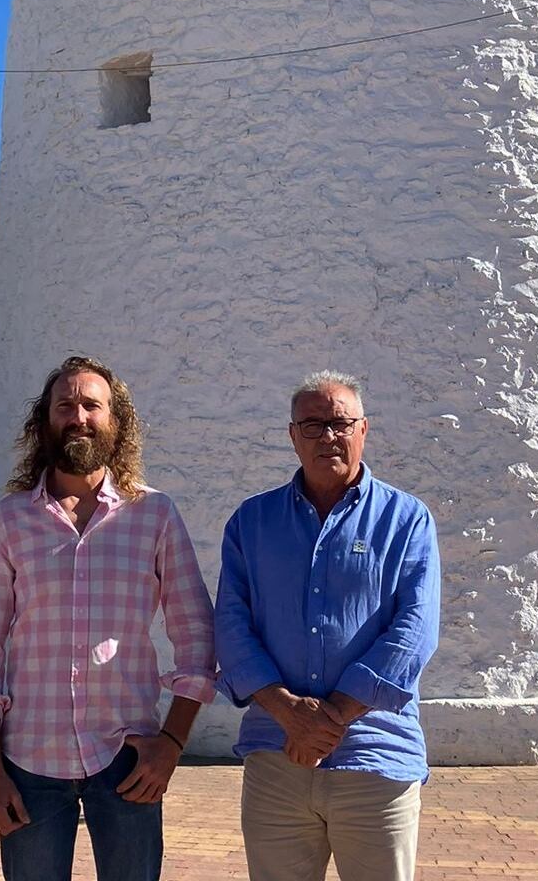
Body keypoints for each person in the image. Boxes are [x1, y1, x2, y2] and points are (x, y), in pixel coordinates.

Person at [0, 356, 217, 881]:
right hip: (28, 763)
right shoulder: (9, 520)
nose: (78, 416)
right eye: (64, 405)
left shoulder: (155, 515)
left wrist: (171, 745)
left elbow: (197, 638)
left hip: (129, 762)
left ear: (116, 421)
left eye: (91, 405)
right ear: (44, 422)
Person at [215, 371, 440, 881]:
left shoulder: (406, 520)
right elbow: (230, 626)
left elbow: (415, 629)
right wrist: (289, 713)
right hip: (277, 758)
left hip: (375, 757)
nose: (327, 437)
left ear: (364, 429)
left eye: (339, 423)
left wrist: (329, 717)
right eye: (312, 426)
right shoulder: (251, 522)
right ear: (292, 435)